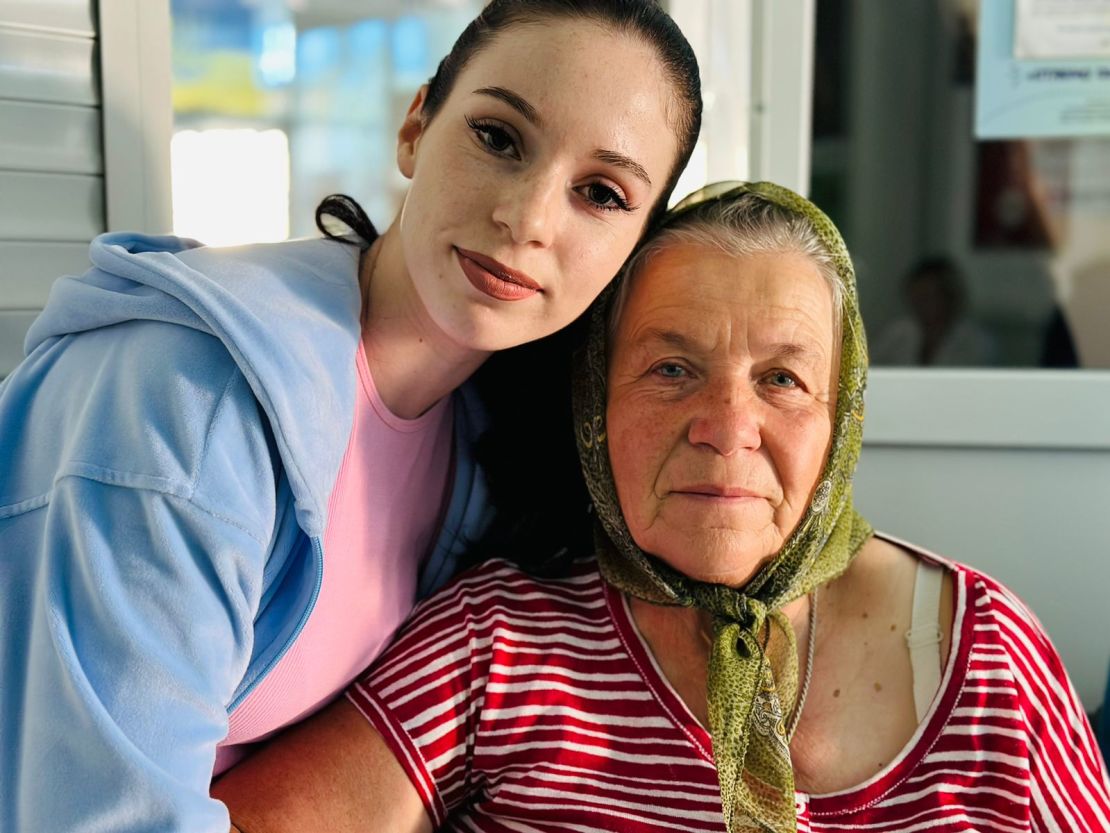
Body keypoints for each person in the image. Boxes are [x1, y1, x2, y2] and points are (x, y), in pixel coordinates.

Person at [213, 182, 1110, 833]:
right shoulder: (497, 643)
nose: (727, 429)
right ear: (597, 404)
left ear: (840, 419)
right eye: (671, 368)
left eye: (782, 379)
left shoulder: (991, 656)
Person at [0, 2, 702, 831]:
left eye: (600, 193)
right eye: (499, 138)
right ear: (416, 127)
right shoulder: (187, 403)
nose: (529, 218)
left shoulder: (486, 437)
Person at [870, 255, 996, 367]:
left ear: (949, 297)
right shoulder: (897, 334)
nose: (921, 305)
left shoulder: (975, 343)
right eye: (917, 297)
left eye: (928, 296)